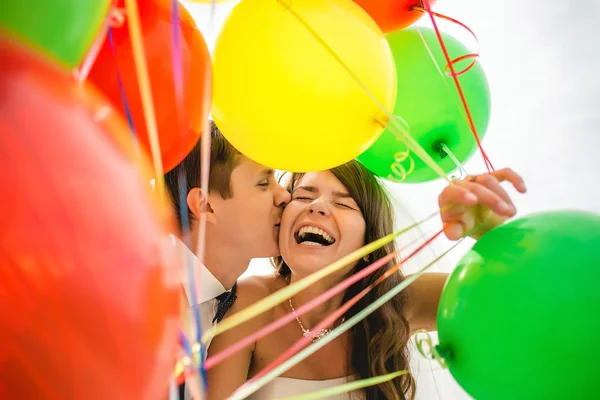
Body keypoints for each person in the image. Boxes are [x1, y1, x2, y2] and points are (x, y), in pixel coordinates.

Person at [205, 160, 526, 399]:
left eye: (343, 203)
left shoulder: (399, 298)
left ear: (370, 241)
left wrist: (492, 234)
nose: (316, 207)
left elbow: (520, 308)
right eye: (303, 196)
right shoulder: (250, 301)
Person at [164, 121, 291, 398]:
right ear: (206, 206)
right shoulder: (139, 297)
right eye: (263, 182)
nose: (284, 196)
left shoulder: (246, 305)